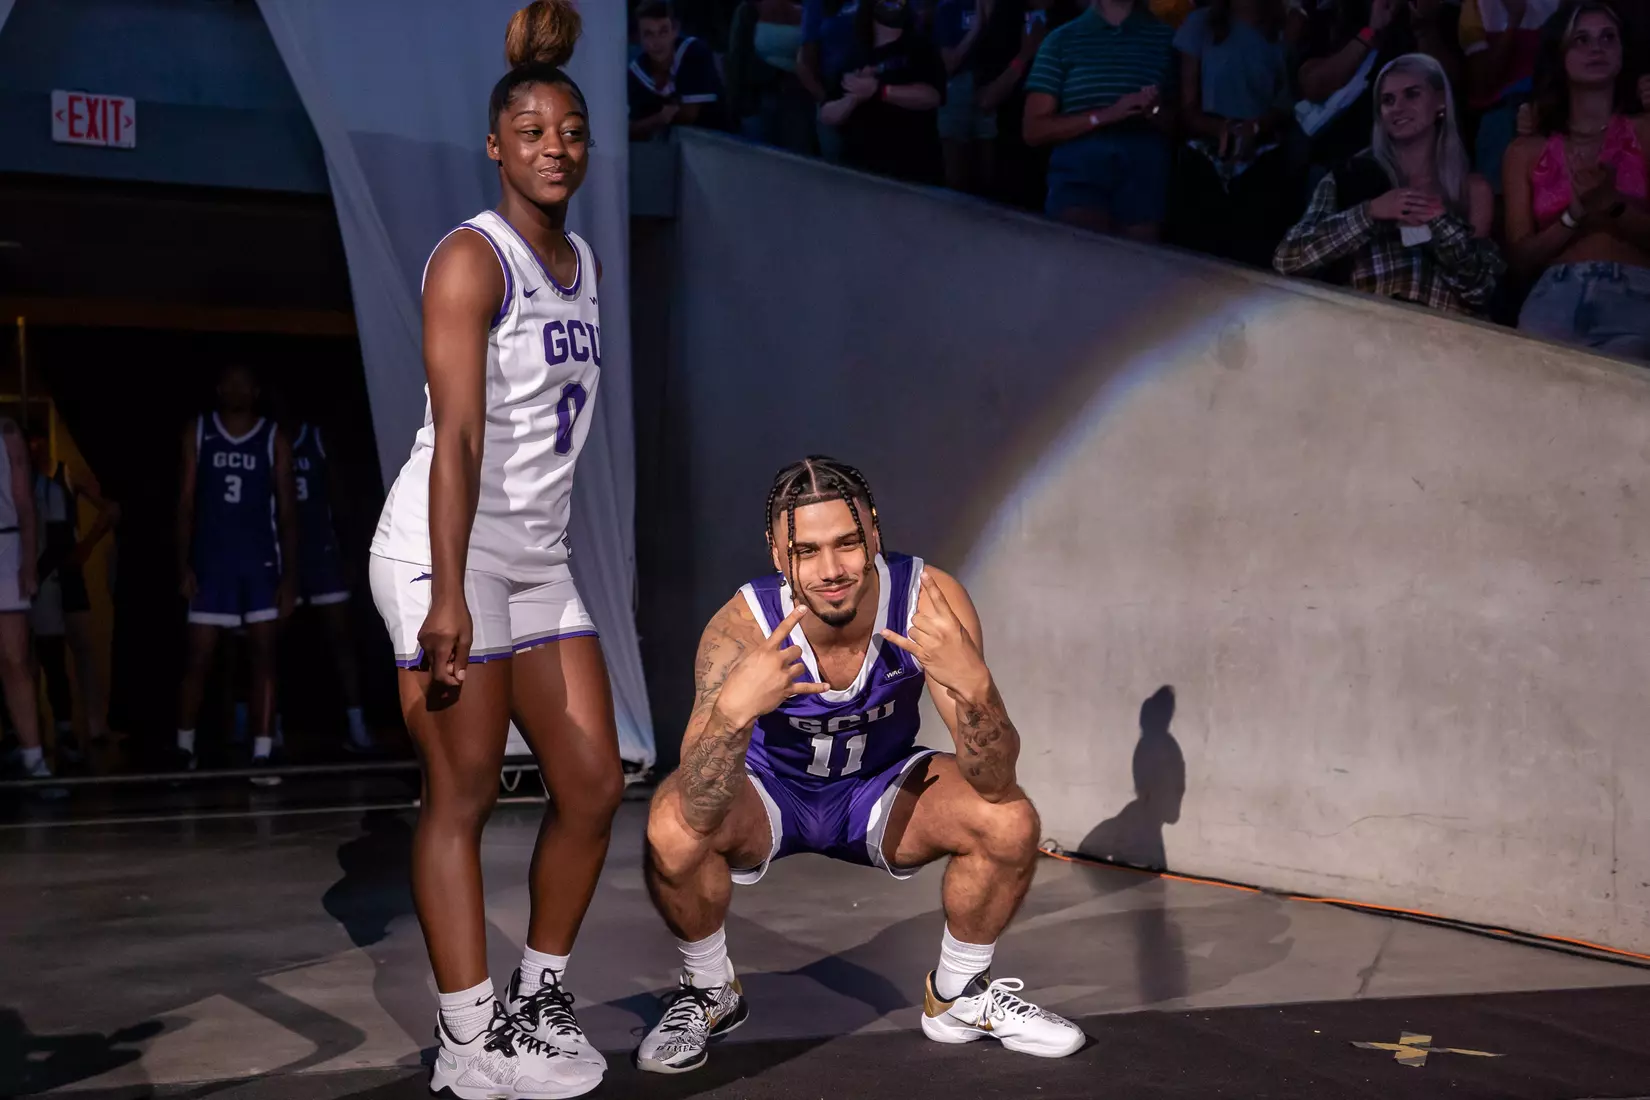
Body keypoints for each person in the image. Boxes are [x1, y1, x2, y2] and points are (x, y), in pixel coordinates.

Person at [367, 3, 623, 1096]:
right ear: (494, 146)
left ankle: (536, 999)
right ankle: (468, 1044)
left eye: (570, 131)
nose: (554, 147)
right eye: (531, 132)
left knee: (594, 783)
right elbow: (460, 434)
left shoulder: (585, 261)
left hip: (536, 556)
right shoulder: (472, 260)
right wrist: (448, 593)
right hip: (446, 549)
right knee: (463, 789)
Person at [636, 457, 1085, 1075]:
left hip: (880, 788)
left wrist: (977, 688)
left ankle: (959, 996)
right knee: (671, 823)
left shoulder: (928, 601)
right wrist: (734, 713)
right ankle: (711, 990)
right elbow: (697, 805)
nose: (831, 570)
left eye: (847, 543)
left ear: (874, 530)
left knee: (1009, 820)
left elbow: (994, 781)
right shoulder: (741, 627)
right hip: (770, 794)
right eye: (807, 550)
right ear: (777, 553)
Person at [1274, 53, 1502, 315]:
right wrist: (1369, 213)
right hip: (1362, 325)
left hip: (1440, 332)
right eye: (1388, 100)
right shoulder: (1350, 177)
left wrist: (1440, 223)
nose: (1398, 107)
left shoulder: (1471, 189)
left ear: (1440, 101)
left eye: (1412, 94)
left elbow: (1481, 291)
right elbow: (1288, 259)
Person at [1503, 1, 1650, 358]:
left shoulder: (1646, 132)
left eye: (1607, 38)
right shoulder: (1525, 150)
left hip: (1635, 296)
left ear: (1623, 52)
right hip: (1552, 299)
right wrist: (1573, 217)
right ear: (1560, 55)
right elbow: (1520, 258)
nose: (1596, 48)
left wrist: (1613, 206)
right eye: (1581, 39)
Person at [175, 364, 298, 785]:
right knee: (198, 658)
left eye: (244, 383)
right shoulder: (199, 431)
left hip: (260, 562)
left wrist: (290, 577)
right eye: (230, 382)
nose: (236, 389)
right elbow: (185, 502)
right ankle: (184, 747)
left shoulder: (272, 436)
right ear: (218, 388)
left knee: (264, 656)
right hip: (211, 564)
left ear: (256, 390)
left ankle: (262, 751)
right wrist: (182, 563)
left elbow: (288, 510)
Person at [1022, 0, 1180, 241]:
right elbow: (1034, 129)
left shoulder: (1165, 39)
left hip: (1144, 169)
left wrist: (1154, 110)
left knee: (1139, 260)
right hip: (1080, 168)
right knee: (1081, 253)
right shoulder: (1061, 40)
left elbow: (1179, 124)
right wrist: (1106, 115)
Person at [1169, 0, 1302, 266]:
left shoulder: (1286, 27)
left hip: (1262, 154)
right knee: (1194, 256)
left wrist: (1255, 128)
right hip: (1206, 151)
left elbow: (1287, 102)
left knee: (1252, 257)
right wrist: (1222, 129)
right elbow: (1187, 107)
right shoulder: (1200, 24)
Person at [28, 426, 118, 768]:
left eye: (36, 440)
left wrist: (87, 545)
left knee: (82, 649)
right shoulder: (22, 480)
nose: (33, 447)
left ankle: (94, 725)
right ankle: (37, 729)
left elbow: (110, 509)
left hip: (66, 571)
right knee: (38, 653)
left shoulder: (66, 473)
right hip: (38, 572)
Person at [288, 419, 371, 754]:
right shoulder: (265, 437)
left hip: (321, 551)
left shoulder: (315, 439)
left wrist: (348, 551)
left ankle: (358, 726)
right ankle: (266, 733)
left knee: (341, 640)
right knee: (268, 646)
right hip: (278, 554)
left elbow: (338, 497)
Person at [821, 0, 948, 184]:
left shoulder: (921, 48)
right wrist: (853, 99)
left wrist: (879, 91)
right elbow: (827, 113)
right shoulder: (854, 56)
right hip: (860, 171)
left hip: (912, 171)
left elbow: (932, 96)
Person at [0, 417, 45, 778]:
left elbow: (25, 503)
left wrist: (29, 563)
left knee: (14, 658)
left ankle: (34, 759)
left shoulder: (7, 432)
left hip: (4, 545)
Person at [630, 1, 728, 140]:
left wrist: (649, 122)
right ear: (638, 38)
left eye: (663, 31)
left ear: (675, 30)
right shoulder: (636, 72)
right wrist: (660, 118)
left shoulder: (693, 52)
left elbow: (689, 115)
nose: (657, 42)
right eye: (648, 34)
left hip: (719, 142)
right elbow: (628, 129)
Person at [935, 0, 1000, 192]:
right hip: (957, 88)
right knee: (955, 173)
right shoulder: (949, 8)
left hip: (991, 87)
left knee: (989, 172)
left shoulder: (1001, 6)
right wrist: (976, 28)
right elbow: (950, 63)